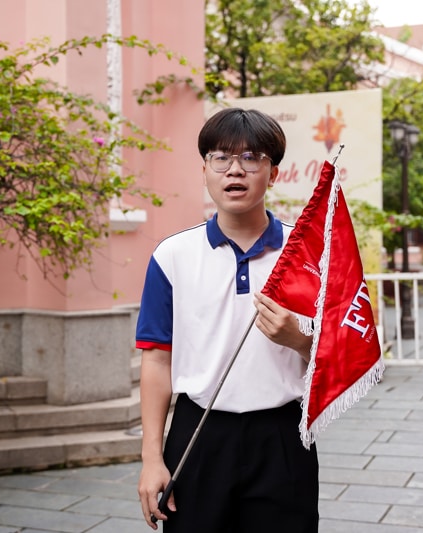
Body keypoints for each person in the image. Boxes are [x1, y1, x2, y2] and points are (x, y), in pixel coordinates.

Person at [136, 107, 319, 532]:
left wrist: (299, 339)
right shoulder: (172, 256)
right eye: (221, 157)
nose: (235, 170)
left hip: (282, 435)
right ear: (204, 171)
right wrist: (151, 458)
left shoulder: (306, 254)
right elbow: (156, 359)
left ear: (273, 174)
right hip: (198, 432)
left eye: (251, 157)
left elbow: (343, 355)